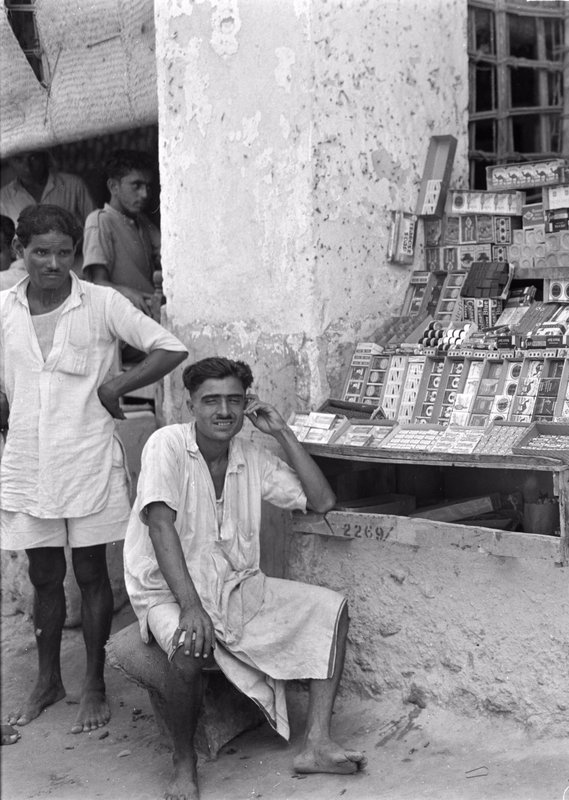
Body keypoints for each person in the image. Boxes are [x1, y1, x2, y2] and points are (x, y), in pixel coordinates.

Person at [123, 357, 364, 800]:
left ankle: (316, 744)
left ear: (247, 404)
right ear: (190, 404)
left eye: (234, 400)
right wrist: (191, 608)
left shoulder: (251, 457)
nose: (224, 411)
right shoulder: (167, 445)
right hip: (167, 591)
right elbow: (159, 527)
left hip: (235, 587)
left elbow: (322, 500)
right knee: (188, 647)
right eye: (211, 400)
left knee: (331, 609)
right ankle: (184, 763)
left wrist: (282, 433)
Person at [0, 204, 189, 736]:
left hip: (87, 458)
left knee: (89, 575)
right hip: (26, 463)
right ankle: (47, 680)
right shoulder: (4, 310)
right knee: (43, 577)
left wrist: (115, 387)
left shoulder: (101, 302)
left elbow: (169, 347)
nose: (54, 263)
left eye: (64, 252)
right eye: (41, 252)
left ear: (76, 255)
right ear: (21, 254)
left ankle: (95, 684)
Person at [82, 150, 160, 315]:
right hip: (121, 318)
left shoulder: (143, 221)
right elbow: (96, 284)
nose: (145, 194)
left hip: (146, 314)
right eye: (136, 186)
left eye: (147, 186)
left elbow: (166, 253)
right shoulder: (99, 221)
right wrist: (128, 293)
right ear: (113, 187)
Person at [0, 150, 95, 228]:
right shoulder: (3, 199)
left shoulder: (73, 185)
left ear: (44, 157)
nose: (27, 167)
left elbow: (95, 227)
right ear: (10, 162)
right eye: (18, 159)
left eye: (33, 158)